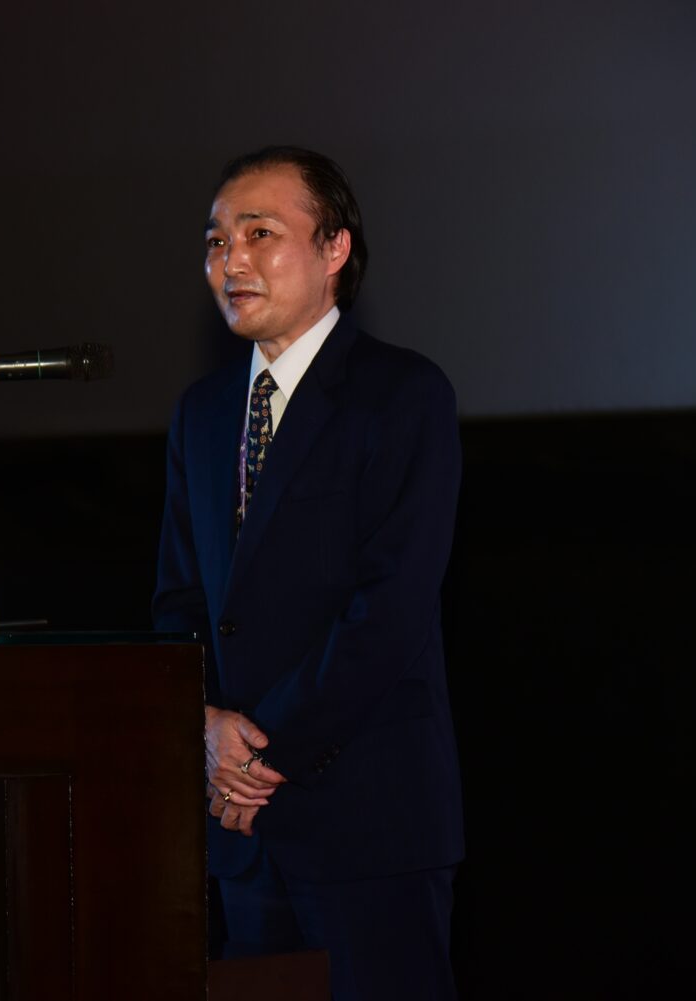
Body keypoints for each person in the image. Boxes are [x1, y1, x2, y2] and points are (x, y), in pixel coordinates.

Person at [153, 146, 464, 999]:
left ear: (335, 248)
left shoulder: (402, 394)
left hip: (366, 819)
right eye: (216, 241)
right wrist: (203, 723)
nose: (232, 260)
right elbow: (179, 600)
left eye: (260, 233)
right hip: (241, 831)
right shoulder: (202, 414)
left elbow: (388, 610)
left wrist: (260, 752)